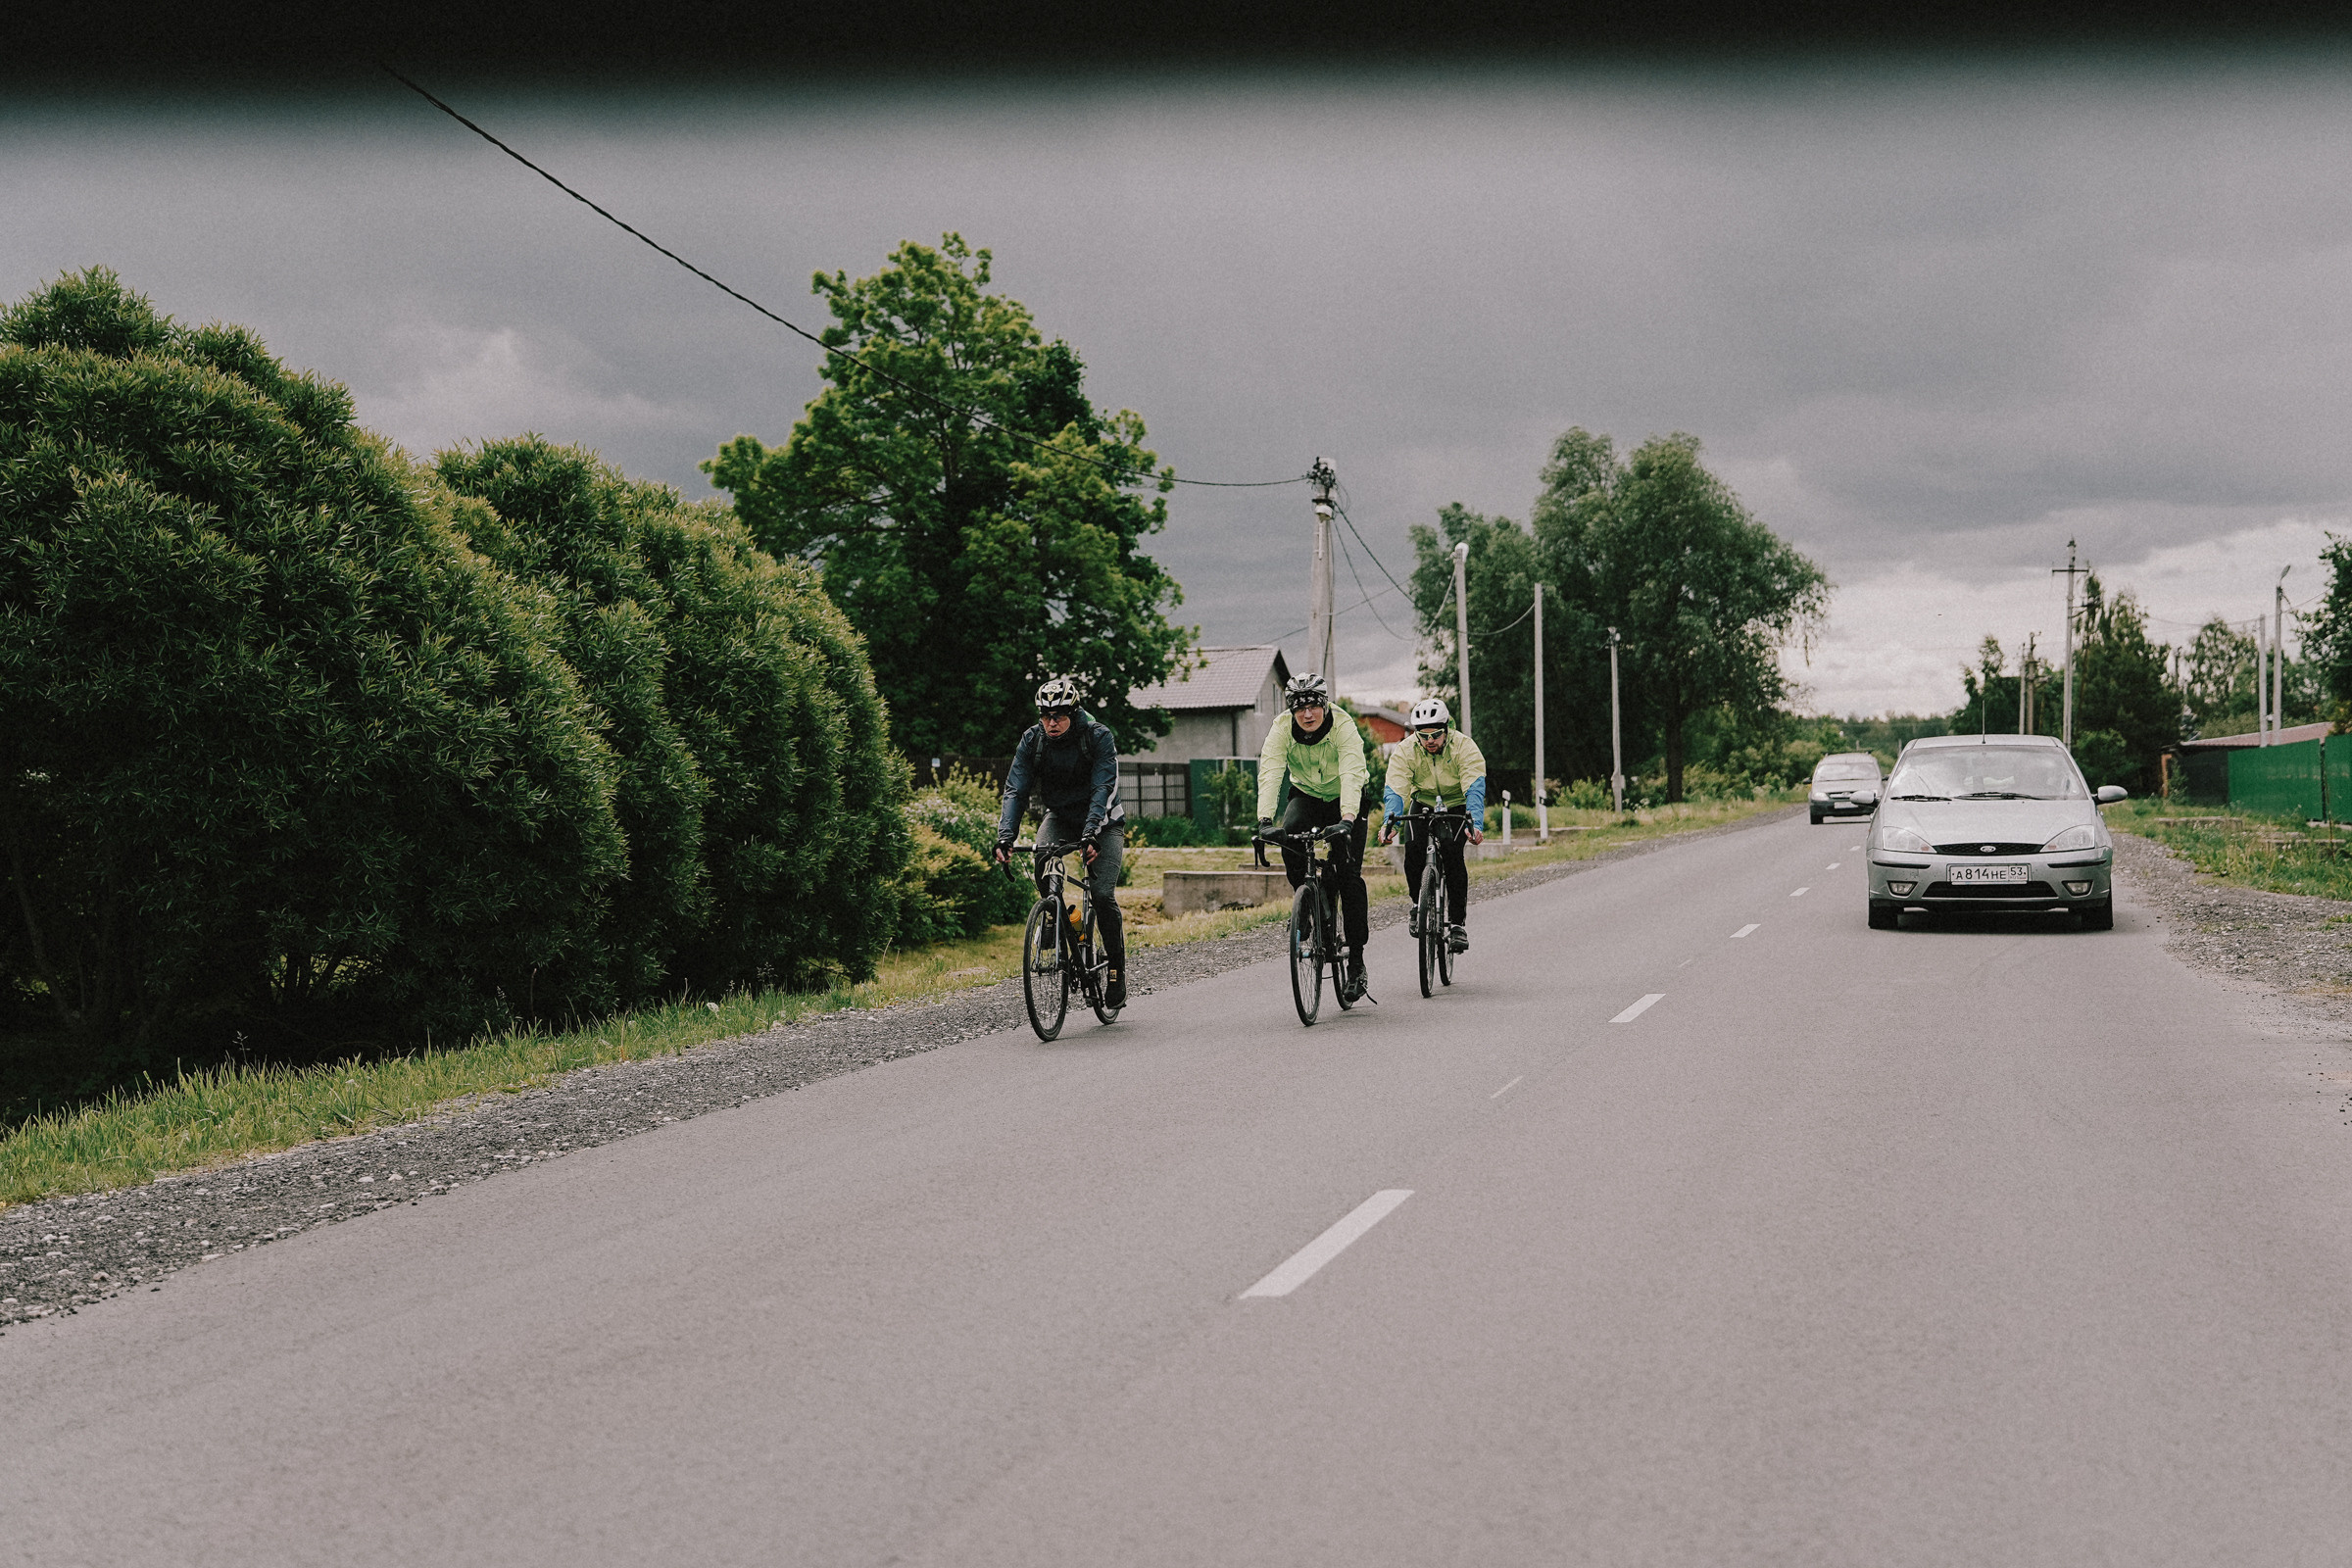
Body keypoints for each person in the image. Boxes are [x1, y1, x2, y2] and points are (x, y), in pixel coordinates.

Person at [995, 676, 1129, 1008]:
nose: (1051, 723)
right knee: (1043, 863)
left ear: (1073, 712)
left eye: (1058, 715)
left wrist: (1092, 832)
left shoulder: (1097, 736)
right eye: (1045, 716)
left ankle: (1116, 969)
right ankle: (1065, 919)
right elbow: (1015, 790)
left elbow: (1103, 787)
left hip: (1103, 823)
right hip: (1061, 817)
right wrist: (1005, 836)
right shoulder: (1033, 740)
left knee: (1101, 894)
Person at [1256, 672, 1371, 997]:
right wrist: (1264, 820)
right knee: (1288, 835)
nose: (1307, 714)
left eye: (1313, 706)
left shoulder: (1343, 726)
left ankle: (1357, 965)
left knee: (1348, 876)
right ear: (1291, 709)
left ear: (1324, 705)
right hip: (1306, 794)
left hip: (1346, 798)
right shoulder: (1281, 729)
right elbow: (1271, 771)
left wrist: (1348, 819)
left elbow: (1351, 773)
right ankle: (1308, 904)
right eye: (1299, 707)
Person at [1380, 697, 1486, 954]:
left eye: (1436, 735)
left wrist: (1475, 822)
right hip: (1423, 801)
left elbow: (1474, 786)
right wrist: (1390, 821)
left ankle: (1458, 924)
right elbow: (1396, 787)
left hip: (1457, 804)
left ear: (1446, 728)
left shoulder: (1464, 746)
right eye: (1423, 735)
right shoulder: (1406, 750)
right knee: (1413, 849)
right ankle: (1418, 905)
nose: (1429, 741)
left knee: (1451, 852)